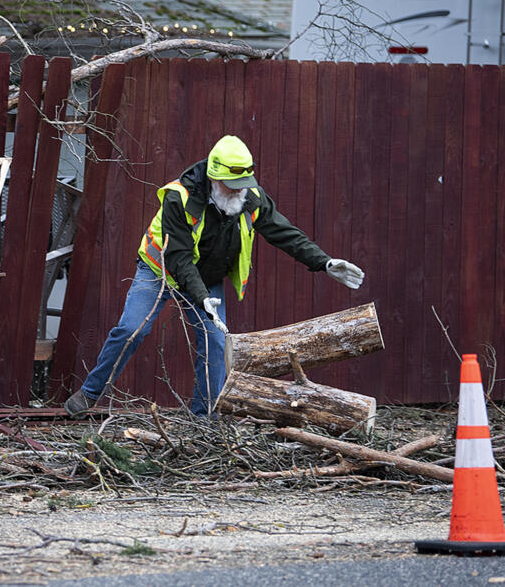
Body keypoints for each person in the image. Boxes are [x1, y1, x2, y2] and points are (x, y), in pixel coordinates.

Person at [63, 135, 365, 417]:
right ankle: (90, 393)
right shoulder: (178, 198)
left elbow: (284, 234)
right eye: (232, 183)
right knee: (132, 329)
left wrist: (324, 262)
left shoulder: (250, 198)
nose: (238, 189)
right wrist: (202, 297)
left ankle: (203, 421)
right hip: (161, 271)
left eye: (243, 181)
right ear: (213, 177)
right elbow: (179, 258)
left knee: (216, 345)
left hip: (207, 278)